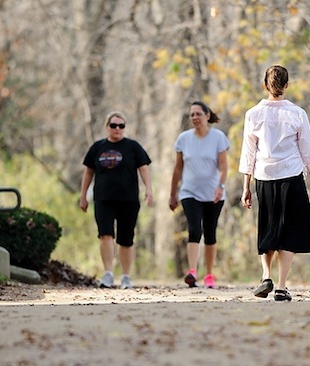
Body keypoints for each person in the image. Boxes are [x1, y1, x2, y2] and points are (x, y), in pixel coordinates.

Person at [239, 65, 310, 302]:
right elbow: (307, 151)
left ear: (265, 85)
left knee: (268, 227)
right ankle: (282, 286)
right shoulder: (297, 113)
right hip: (291, 176)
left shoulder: (253, 114)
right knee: (289, 230)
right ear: (287, 85)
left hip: (264, 177)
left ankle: (266, 275)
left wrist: (246, 186)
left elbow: (249, 152)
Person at [79, 111, 153, 289]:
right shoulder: (98, 147)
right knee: (105, 235)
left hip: (128, 199)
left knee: (126, 239)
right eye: (113, 125)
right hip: (103, 198)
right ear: (107, 127)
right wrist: (83, 196)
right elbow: (89, 172)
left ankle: (126, 276)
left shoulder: (133, 147)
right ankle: (108, 274)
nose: (117, 129)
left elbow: (144, 169)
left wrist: (149, 190)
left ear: (125, 128)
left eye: (121, 126)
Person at [169, 101, 230, 289]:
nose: (195, 117)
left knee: (210, 232)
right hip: (189, 192)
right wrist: (173, 194)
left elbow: (223, 165)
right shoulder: (184, 139)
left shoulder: (218, 137)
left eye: (198, 114)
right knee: (195, 229)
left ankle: (209, 274)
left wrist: (220, 186)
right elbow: (178, 168)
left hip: (214, 193)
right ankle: (192, 271)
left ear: (207, 116)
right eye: (192, 115)